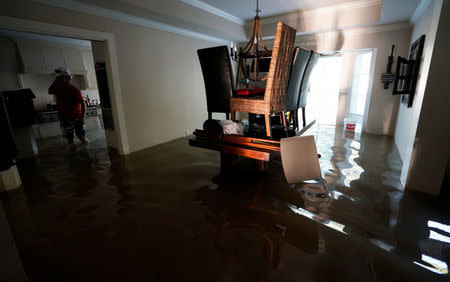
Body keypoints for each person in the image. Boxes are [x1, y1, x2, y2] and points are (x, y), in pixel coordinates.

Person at [48, 67, 89, 145]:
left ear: (66, 77)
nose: (58, 78)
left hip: (76, 117)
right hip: (64, 118)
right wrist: (56, 81)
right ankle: (73, 155)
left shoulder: (74, 89)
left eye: (60, 77)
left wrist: (82, 117)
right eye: (57, 77)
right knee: (70, 140)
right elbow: (50, 91)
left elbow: (83, 103)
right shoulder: (58, 88)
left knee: (82, 138)